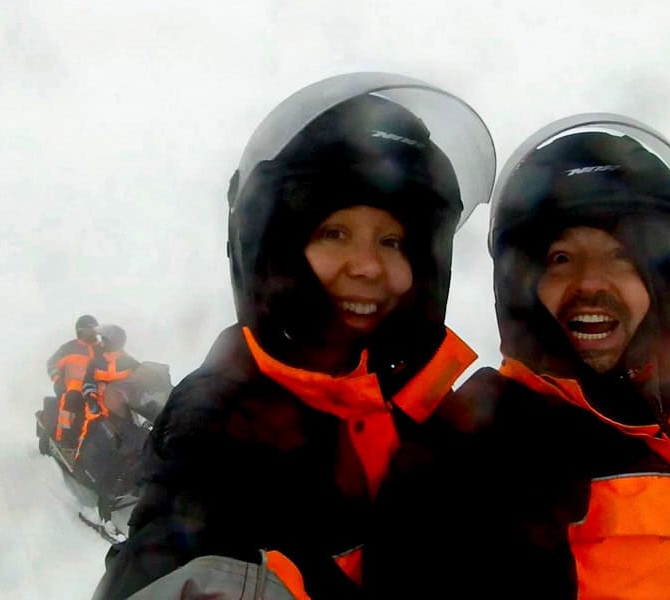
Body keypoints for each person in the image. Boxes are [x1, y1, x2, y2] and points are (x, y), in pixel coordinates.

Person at [91, 72, 497, 599]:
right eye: (336, 233)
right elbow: (177, 558)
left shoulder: (420, 409)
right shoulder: (220, 423)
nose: (368, 266)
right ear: (277, 249)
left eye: (392, 240)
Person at [363, 114, 670, 599]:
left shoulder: (669, 420)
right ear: (521, 290)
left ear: (662, 286)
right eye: (561, 259)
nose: (591, 283)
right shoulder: (477, 456)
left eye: (621, 256)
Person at [80, 324, 142, 458]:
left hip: (125, 406)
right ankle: (82, 461)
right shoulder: (96, 363)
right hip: (99, 406)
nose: (100, 342)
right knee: (91, 430)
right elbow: (87, 383)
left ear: (111, 342)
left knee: (137, 433)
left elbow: (145, 376)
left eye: (103, 339)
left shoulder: (128, 362)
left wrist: (157, 382)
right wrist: (91, 400)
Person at [46, 314, 99, 448]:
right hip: (71, 388)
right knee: (71, 400)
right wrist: (58, 379)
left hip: (95, 388)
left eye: (95, 329)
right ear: (80, 331)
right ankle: (64, 438)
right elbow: (52, 364)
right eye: (90, 329)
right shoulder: (69, 348)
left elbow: (117, 360)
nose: (94, 332)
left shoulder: (101, 348)